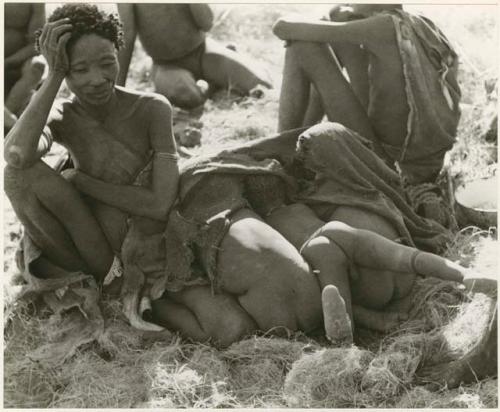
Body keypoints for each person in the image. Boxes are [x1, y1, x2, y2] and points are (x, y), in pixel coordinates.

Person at [4, 4, 179, 288]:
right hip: (90, 245)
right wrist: (54, 75)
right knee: (16, 176)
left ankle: (110, 280)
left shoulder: (152, 108)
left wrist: (81, 181)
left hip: (143, 240)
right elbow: (16, 155)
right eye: (79, 69)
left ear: (118, 55)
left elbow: (160, 205)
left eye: (107, 63)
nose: (97, 79)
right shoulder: (63, 114)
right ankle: (92, 278)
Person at [272, 4, 461, 224]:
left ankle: (281, 156)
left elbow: (283, 28)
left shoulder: (382, 27)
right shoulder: (418, 23)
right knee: (340, 37)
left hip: (391, 166)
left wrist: (319, 19)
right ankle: (293, 149)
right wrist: (339, 15)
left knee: (302, 46)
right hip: (421, 158)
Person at [116, 3, 273, 109]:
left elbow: (207, 23)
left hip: (202, 51)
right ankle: (212, 85)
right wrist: (117, 91)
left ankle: (218, 72)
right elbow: (126, 37)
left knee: (261, 87)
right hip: (166, 65)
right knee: (188, 98)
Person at [4, 3, 47, 132]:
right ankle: (8, 121)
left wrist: (8, 62)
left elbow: (36, 44)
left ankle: (7, 117)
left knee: (38, 65)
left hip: (17, 61)